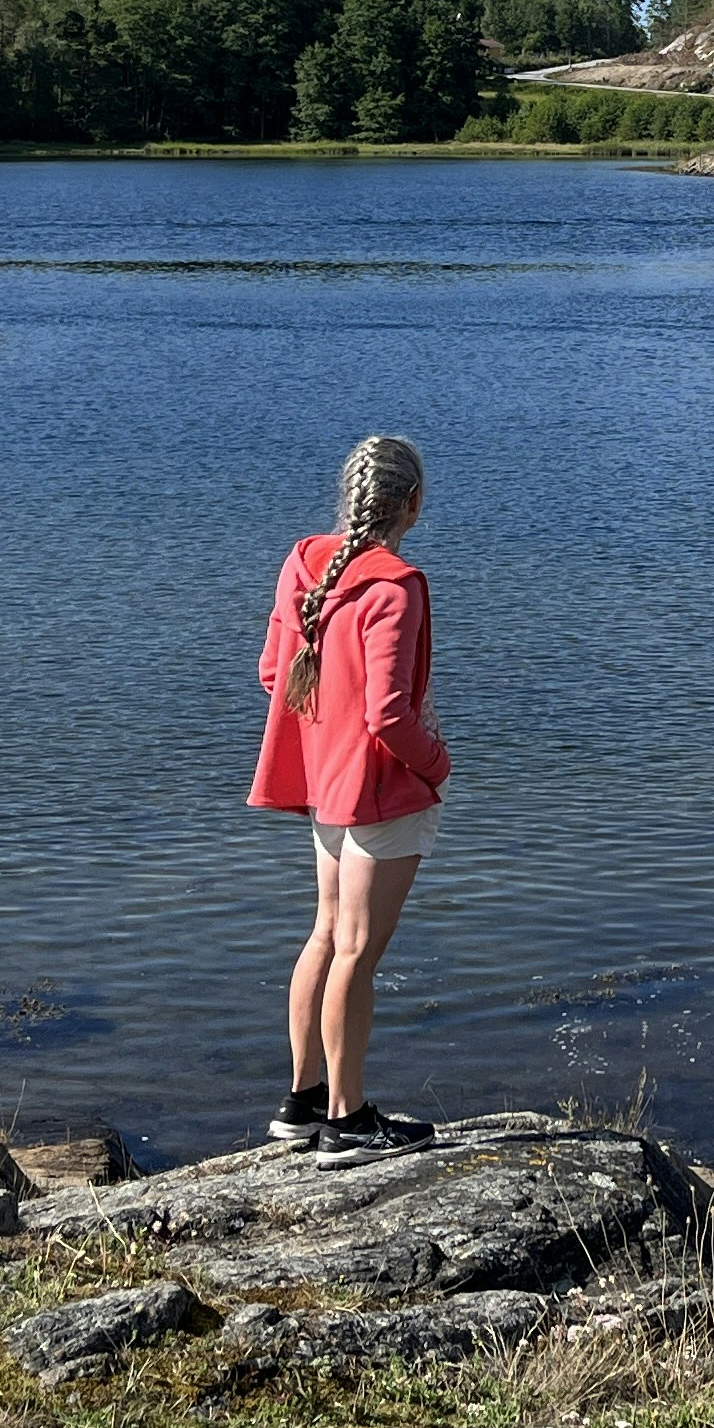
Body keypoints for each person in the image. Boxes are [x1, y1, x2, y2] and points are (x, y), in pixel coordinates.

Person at [248, 433, 448, 1165]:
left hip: (323, 783)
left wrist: (327, 731)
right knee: (357, 952)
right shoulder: (396, 585)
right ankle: (348, 1120)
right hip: (381, 792)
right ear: (413, 504)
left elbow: (274, 674)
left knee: (327, 934)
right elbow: (390, 716)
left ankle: (301, 1104)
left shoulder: (304, 562)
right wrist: (438, 764)